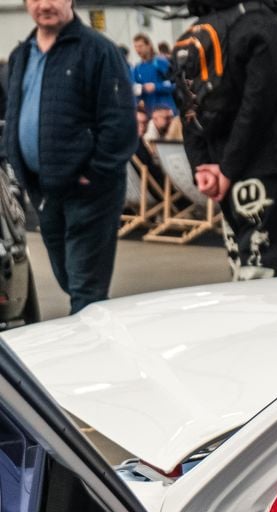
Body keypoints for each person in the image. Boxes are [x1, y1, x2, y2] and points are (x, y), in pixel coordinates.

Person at [5, 0, 134, 314]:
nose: (45, 4)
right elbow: (14, 113)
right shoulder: (22, 55)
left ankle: (91, 341)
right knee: (68, 277)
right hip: (44, 190)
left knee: (85, 288)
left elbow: (120, 123)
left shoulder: (98, 50)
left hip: (90, 191)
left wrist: (94, 172)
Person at [175, 0, 277, 280]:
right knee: (267, 271)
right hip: (265, 168)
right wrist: (228, 168)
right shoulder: (261, 25)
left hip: (221, 172)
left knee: (242, 265)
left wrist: (203, 165)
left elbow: (187, 108)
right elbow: (258, 104)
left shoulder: (196, 32)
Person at [129, 32, 172, 115]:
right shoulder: (137, 68)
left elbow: (174, 84)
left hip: (167, 112)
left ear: (148, 45)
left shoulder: (160, 62)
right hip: (150, 113)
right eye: (135, 47)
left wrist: (156, 87)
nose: (138, 50)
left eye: (140, 46)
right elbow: (135, 89)